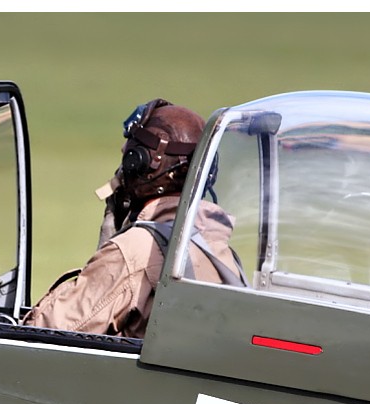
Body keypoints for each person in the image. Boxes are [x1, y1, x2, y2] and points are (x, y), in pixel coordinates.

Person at [21, 98, 246, 338]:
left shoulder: (134, 251)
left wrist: (115, 245)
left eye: (131, 148)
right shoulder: (220, 251)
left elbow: (43, 332)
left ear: (142, 163)